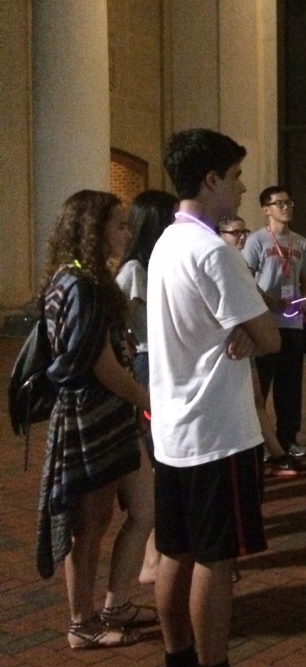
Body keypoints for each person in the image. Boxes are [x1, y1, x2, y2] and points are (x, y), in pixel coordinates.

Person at [147, 128, 279, 667]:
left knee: (174, 550)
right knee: (215, 558)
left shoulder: (165, 245)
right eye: (235, 176)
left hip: (175, 428)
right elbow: (270, 336)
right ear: (210, 180)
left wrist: (243, 332)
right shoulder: (212, 251)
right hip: (217, 430)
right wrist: (250, 332)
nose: (243, 187)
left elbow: (221, 329)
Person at [36, 190, 152, 649]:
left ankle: (112, 605)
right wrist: (145, 398)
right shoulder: (80, 284)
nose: (125, 232)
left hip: (104, 412)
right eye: (118, 225)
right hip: (93, 414)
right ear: (92, 229)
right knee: (90, 523)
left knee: (138, 510)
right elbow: (100, 363)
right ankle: (81, 623)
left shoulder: (78, 278)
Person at [219, 215, 306, 478]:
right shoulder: (221, 260)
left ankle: (276, 450)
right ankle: (263, 451)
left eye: (243, 231)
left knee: (258, 397)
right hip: (233, 340)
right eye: (234, 232)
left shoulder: (237, 261)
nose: (240, 237)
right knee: (248, 398)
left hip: (250, 336)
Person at [116, 189, 178, 586]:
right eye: (170, 216)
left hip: (162, 364)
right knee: (160, 461)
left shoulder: (156, 263)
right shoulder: (134, 270)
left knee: (167, 461)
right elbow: (123, 328)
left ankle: (160, 553)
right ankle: (154, 558)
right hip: (147, 365)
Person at [243, 187, 306, 455]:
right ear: (266, 209)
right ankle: (262, 443)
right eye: (279, 203)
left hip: (292, 323)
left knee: (290, 383)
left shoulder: (300, 243)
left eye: (289, 202)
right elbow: (246, 279)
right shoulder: (256, 241)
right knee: (262, 384)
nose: (286, 207)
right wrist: (271, 301)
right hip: (265, 321)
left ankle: (288, 438)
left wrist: (304, 297)